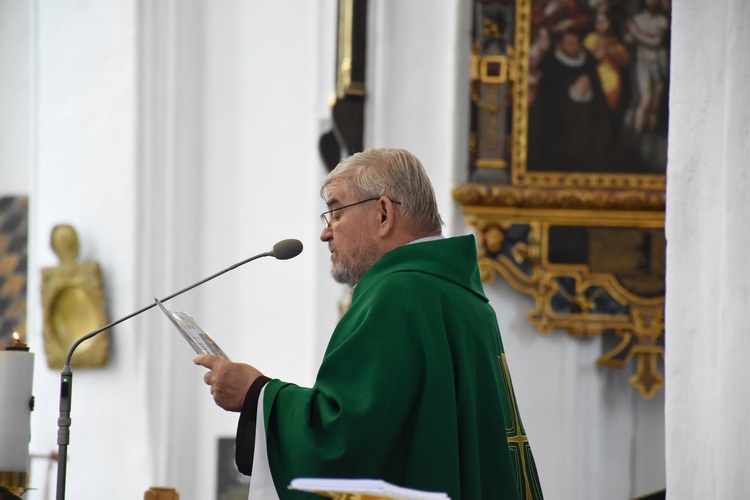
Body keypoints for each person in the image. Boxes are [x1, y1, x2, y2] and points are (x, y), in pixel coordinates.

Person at [194, 148, 543, 499]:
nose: (325, 234)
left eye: (335, 213)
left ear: (383, 213)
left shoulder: (399, 293)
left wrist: (255, 393)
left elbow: (343, 439)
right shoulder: (462, 297)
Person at [527, 28, 616, 171]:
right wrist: (572, 93)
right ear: (560, 44)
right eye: (569, 43)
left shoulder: (587, 60)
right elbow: (547, 97)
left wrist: (586, 92)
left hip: (585, 117)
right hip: (558, 119)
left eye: (576, 43)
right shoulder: (551, 61)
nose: (573, 46)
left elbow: (598, 93)